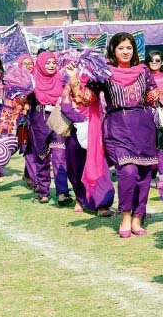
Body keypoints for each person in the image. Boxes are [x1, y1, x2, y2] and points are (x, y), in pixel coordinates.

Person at [88, 33, 160, 237]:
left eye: (129, 47)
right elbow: (87, 98)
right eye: (121, 48)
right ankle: (126, 215)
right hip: (117, 127)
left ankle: (138, 217)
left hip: (143, 127)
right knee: (127, 172)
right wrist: (76, 81)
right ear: (113, 50)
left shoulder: (143, 72)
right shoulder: (104, 72)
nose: (126, 51)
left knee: (145, 175)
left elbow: (153, 98)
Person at [61, 66, 114, 216]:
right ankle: (80, 198)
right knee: (76, 167)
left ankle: (102, 204)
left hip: (98, 128)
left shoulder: (99, 84)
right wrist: (82, 120)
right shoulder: (70, 84)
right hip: (76, 129)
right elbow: (65, 106)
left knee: (99, 166)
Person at [24, 51, 71, 203]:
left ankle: (63, 192)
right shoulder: (32, 80)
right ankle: (44, 191)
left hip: (58, 119)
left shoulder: (61, 78)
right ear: (40, 64)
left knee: (60, 157)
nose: (51, 65)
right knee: (41, 157)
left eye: (53, 63)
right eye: (47, 63)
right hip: (39, 121)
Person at [146, 50, 163, 175]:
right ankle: (157, 173)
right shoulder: (144, 76)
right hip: (148, 117)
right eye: (152, 60)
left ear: (162, 62)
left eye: (157, 60)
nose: (154, 62)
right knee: (152, 148)